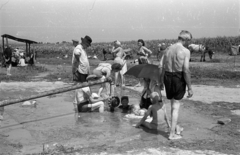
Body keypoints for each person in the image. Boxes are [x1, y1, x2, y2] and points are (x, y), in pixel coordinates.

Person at [158, 30, 193, 140]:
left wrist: (160, 81)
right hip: (178, 77)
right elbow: (186, 70)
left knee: (172, 104)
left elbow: (160, 66)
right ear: (185, 39)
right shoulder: (185, 51)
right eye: (189, 41)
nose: (189, 43)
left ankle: (174, 128)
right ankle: (172, 133)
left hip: (168, 77)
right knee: (176, 106)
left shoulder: (167, 50)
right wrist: (190, 87)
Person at [72, 35, 92, 111]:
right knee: (78, 88)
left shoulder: (83, 49)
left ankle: (83, 103)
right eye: (87, 45)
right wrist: (76, 68)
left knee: (83, 88)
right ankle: (77, 105)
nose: (87, 46)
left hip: (84, 72)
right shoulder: (78, 48)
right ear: (84, 42)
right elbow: (77, 54)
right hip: (79, 72)